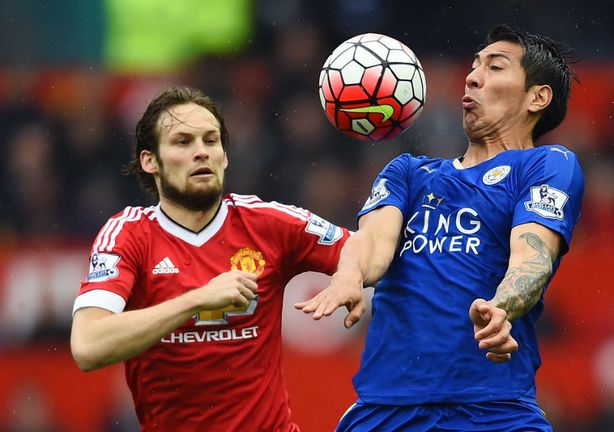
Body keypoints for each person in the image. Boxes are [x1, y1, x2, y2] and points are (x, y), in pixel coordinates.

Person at [296, 25, 584, 431]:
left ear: (537, 97)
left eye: (494, 66)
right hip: (388, 410)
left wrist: (500, 309)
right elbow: (373, 244)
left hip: (494, 409)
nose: (472, 76)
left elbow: (532, 256)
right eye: (473, 65)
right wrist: (350, 274)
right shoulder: (409, 173)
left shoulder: (547, 165)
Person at [69, 86, 350, 432]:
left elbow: (363, 248)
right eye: (183, 142)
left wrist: (354, 267)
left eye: (211, 140)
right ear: (150, 161)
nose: (201, 152)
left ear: (225, 156)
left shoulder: (267, 222)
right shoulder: (128, 235)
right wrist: (197, 300)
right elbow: (87, 345)